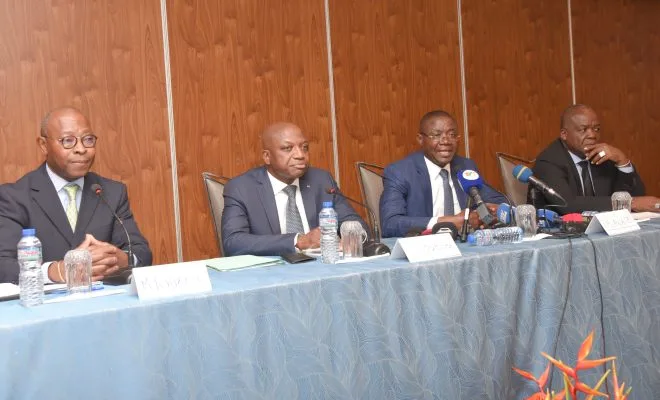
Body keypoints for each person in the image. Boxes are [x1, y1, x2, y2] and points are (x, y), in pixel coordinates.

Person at [0, 107, 152, 284]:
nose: (81, 149)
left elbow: (142, 252)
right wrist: (56, 271)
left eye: (88, 140)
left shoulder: (111, 192)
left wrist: (121, 259)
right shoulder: (13, 197)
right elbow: (3, 264)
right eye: (68, 141)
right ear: (43, 145)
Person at [222, 122, 367, 256]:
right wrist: (298, 241)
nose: (300, 155)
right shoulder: (241, 188)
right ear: (267, 156)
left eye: (304, 147)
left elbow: (354, 223)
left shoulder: (321, 181)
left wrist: (351, 239)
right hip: (272, 270)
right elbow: (233, 242)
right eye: (288, 148)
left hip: (322, 265)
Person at [380, 110, 507, 238]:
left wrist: (488, 211)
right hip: (426, 244)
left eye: (452, 135)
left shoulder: (465, 166)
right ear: (420, 139)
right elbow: (390, 224)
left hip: (466, 242)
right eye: (436, 135)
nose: (446, 141)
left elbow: (500, 202)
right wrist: (447, 222)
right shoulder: (400, 172)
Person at [530, 104, 659, 214]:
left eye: (596, 129)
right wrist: (629, 203)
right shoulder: (549, 161)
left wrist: (623, 161)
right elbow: (566, 203)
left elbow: (639, 197)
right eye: (583, 129)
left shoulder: (602, 156)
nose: (592, 135)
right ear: (564, 134)